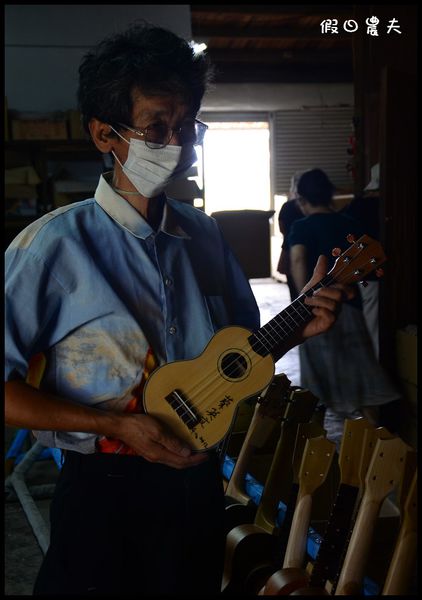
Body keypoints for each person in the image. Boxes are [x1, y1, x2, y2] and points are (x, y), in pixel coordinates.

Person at [5, 23, 350, 596]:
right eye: (156, 127)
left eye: (187, 125)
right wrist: (114, 424)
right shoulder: (52, 248)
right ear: (103, 135)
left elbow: (233, 360)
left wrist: (295, 328)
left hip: (196, 485)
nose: (177, 143)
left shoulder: (205, 237)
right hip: (104, 491)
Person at [288, 168, 401, 449]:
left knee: (316, 386)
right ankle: (377, 443)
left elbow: (300, 260)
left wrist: (306, 300)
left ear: (302, 199)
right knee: (362, 375)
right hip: (350, 309)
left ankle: (316, 450)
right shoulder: (349, 222)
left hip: (315, 314)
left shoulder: (301, 227)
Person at [342, 163, 381, 358]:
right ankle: (374, 361)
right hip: (375, 272)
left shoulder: (356, 205)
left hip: (355, 270)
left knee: (363, 317)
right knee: (372, 320)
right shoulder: (386, 206)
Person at [276, 172, 304, 300]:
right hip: (310, 250)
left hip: (288, 249)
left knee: (294, 291)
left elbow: (281, 228)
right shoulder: (307, 205)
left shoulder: (287, 206)